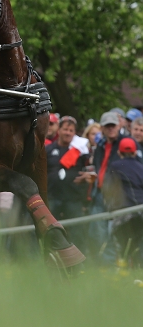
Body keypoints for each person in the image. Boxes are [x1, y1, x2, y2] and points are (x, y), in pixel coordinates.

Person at [45, 116, 90, 249]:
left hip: (73, 199)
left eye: (71, 130)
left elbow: (89, 172)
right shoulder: (48, 150)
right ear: (59, 129)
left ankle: (79, 262)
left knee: (77, 232)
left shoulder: (81, 152)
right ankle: (50, 258)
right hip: (52, 197)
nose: (68, 133)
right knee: (51, 231)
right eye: (65, 129)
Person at [89, 110, 125, 263]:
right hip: (100, 193)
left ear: (118, 126)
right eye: (107, 126)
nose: (111, 129)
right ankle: (106, 265)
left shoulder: (126, 144)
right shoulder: (100, 146)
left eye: (113, 126)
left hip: (119, 195)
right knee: (97, 231)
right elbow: (99, 167)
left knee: (116, 232)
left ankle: (118, 264)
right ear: (102, 128)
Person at [102, 138, 143, 266]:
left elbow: (107, 189)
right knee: (138, 248)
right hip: (140, 213)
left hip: (122, 215)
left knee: (123, 249)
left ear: (119, 153)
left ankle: (125, 274)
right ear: (135, 153)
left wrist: (110, 209)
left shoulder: (114, 166)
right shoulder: (141, 167)